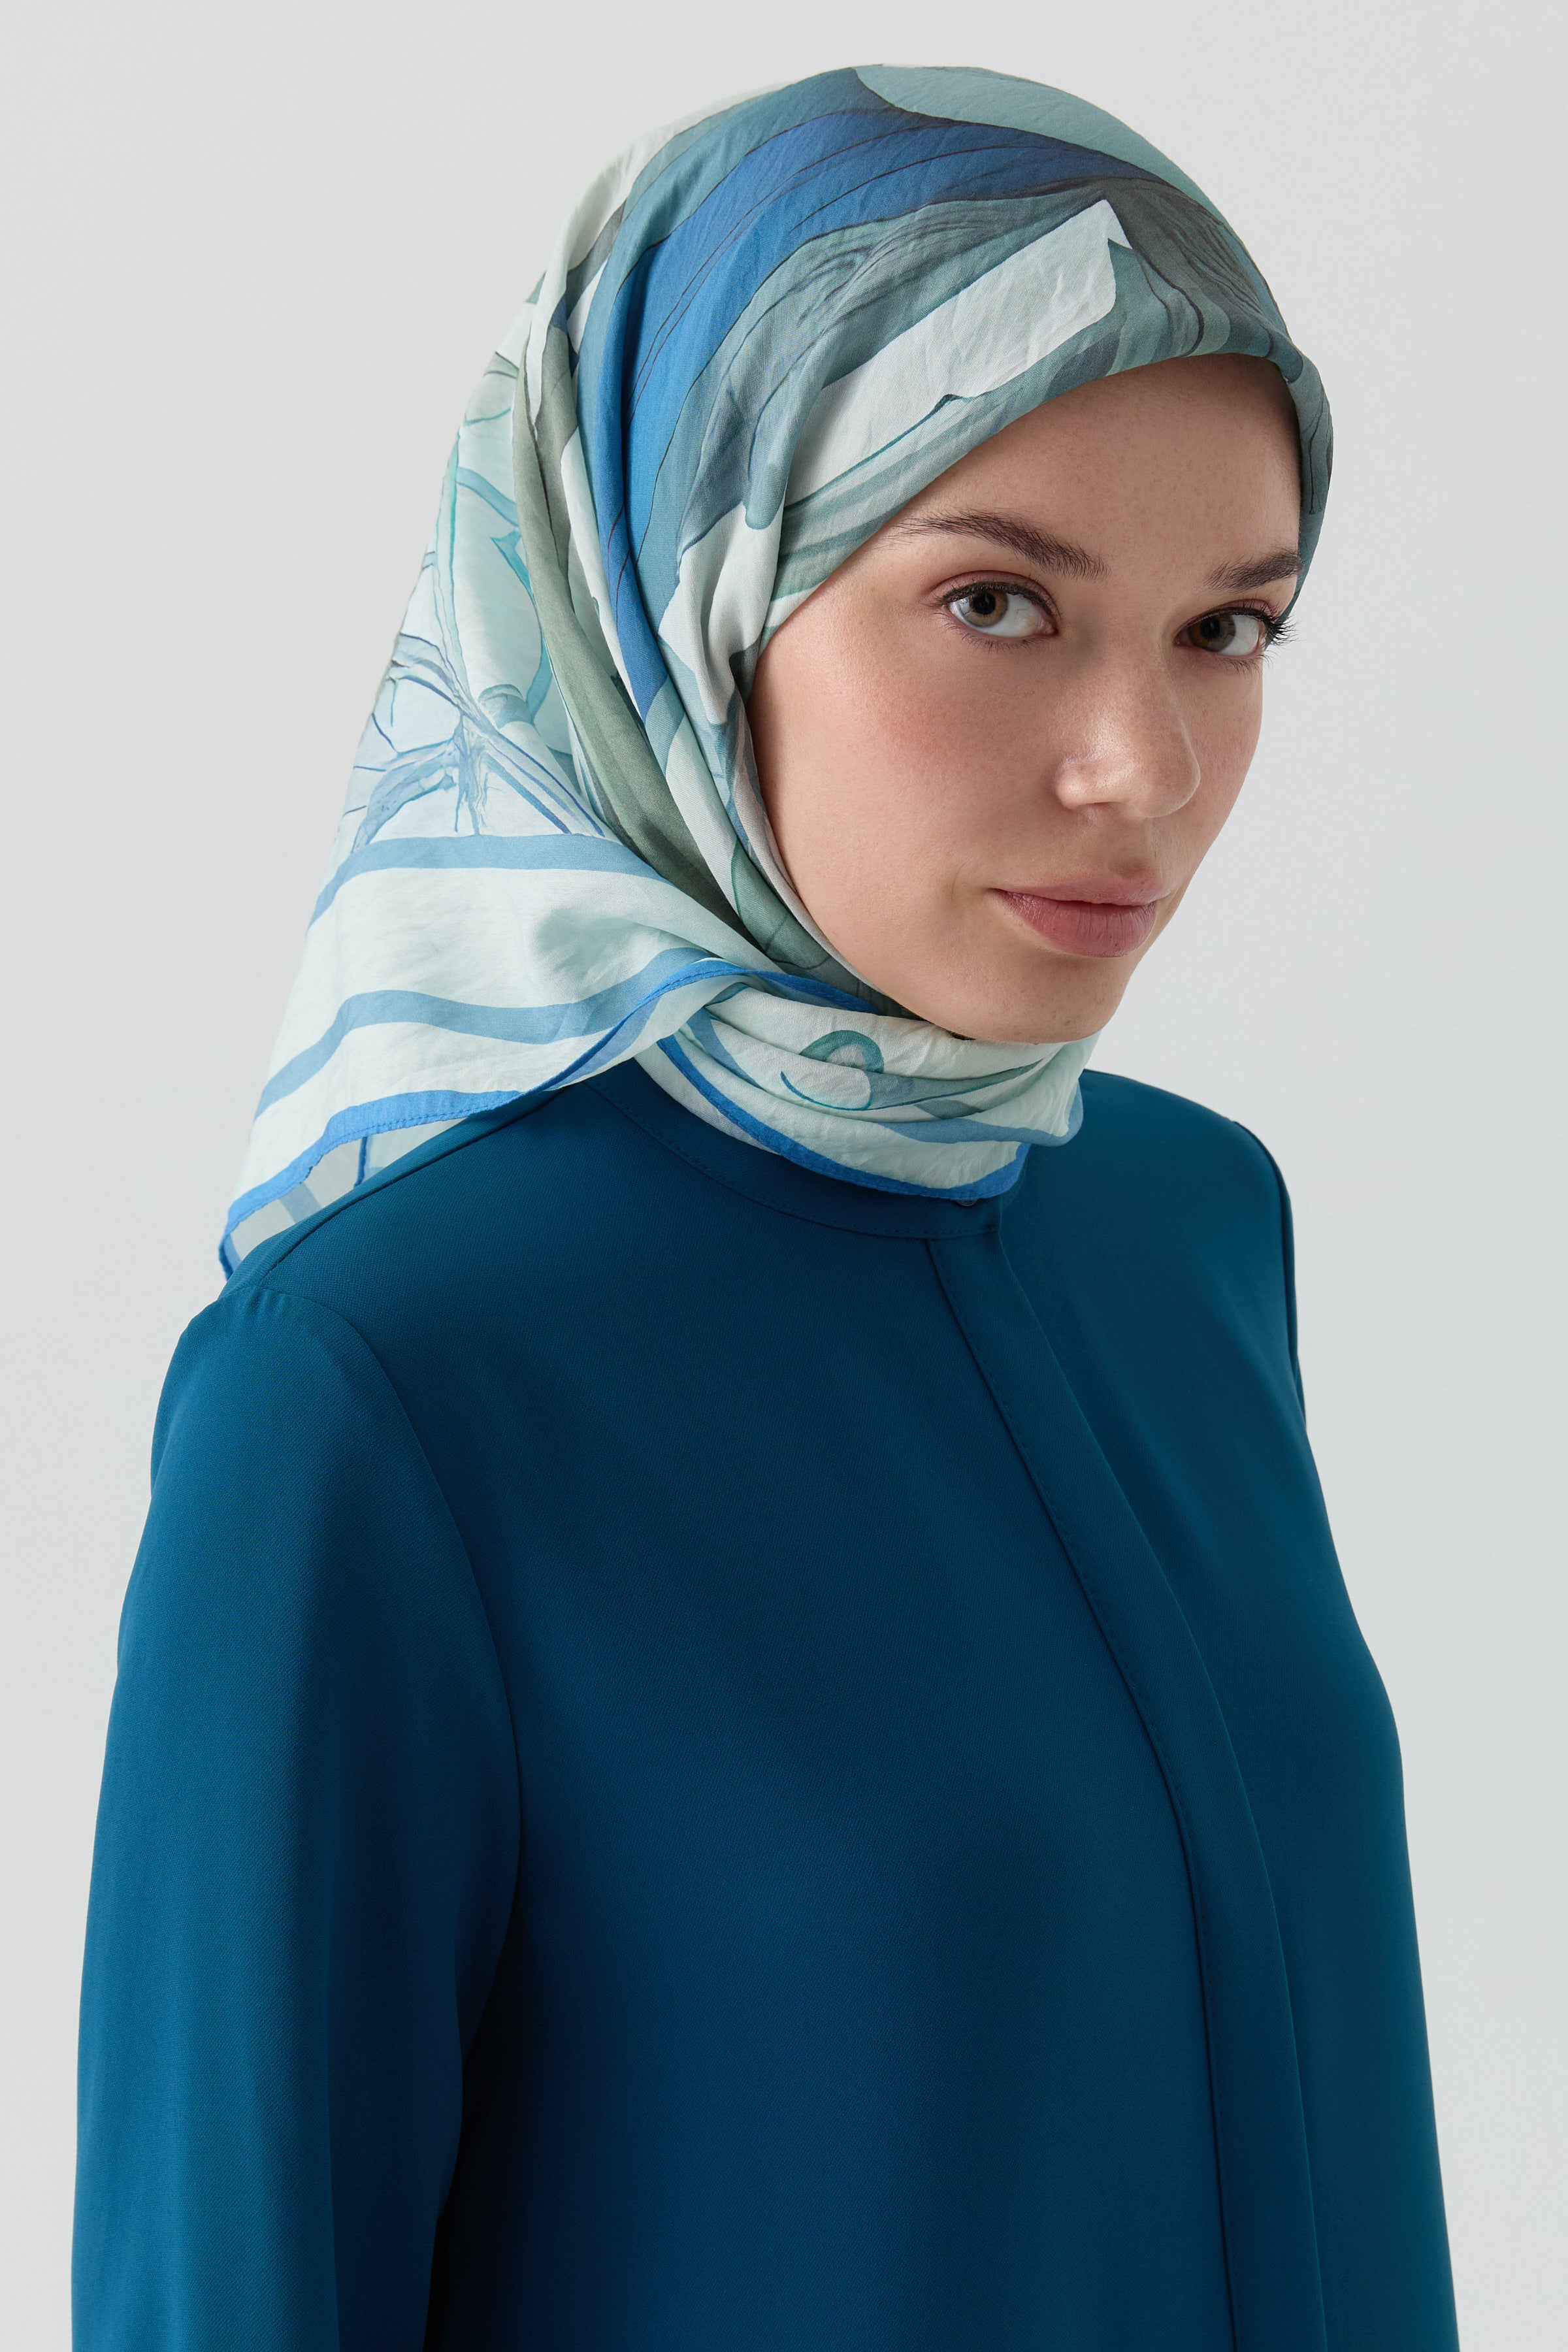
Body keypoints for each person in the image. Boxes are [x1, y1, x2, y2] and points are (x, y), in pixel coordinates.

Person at [73, 65, 1460, 2352]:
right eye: (997, 602)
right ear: (686, 595)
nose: (1144, 768)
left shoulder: (1190, 1232)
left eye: (1229, 628)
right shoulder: (385, 1383)